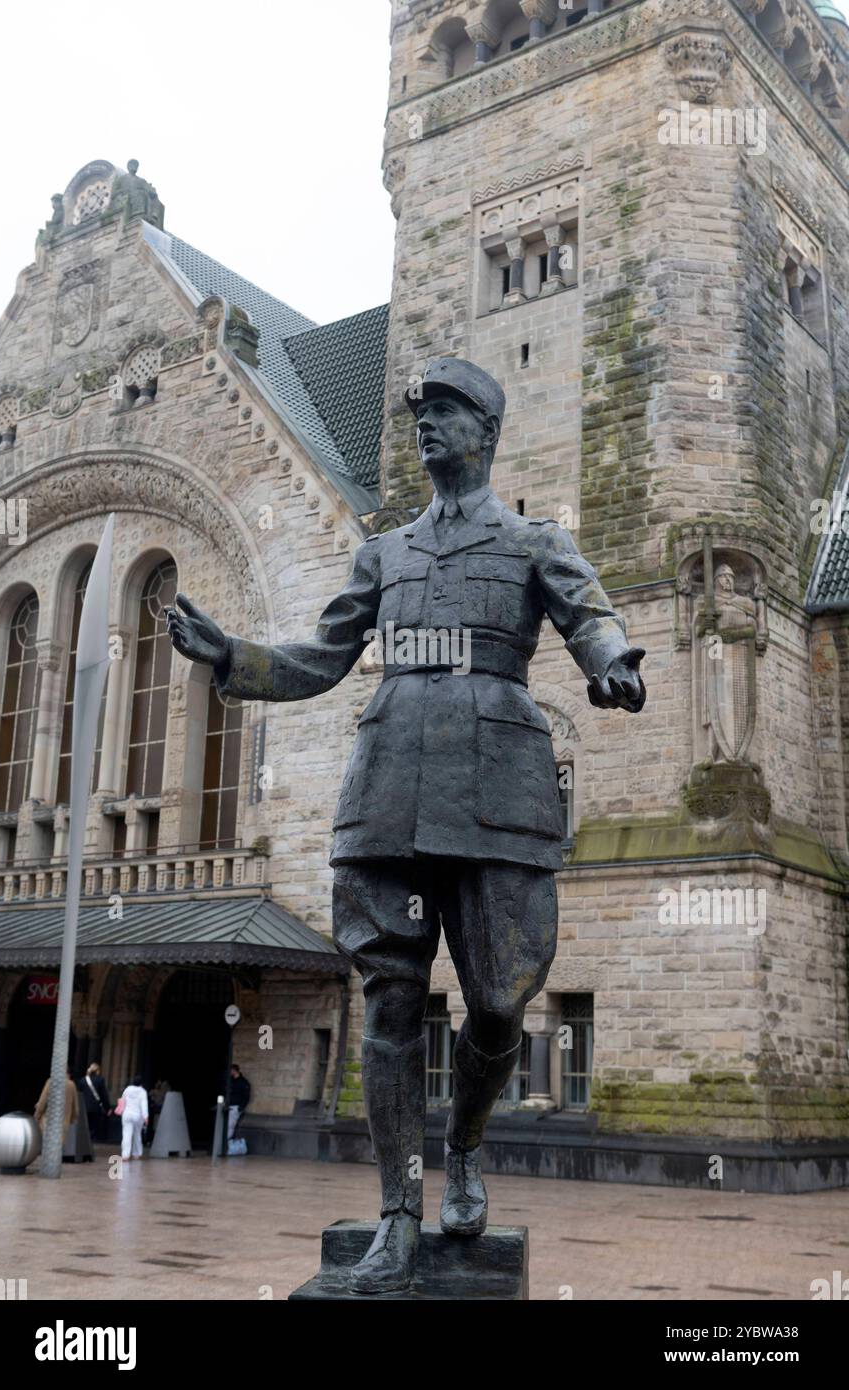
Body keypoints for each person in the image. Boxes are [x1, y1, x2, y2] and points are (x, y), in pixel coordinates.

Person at [166, 357, 646, 1292]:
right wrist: (236, 656)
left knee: (503, 1000)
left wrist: (611, 663)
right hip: (387, 788)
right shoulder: (383, 555)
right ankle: (396, 1212)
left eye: (447, 411)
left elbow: (592, 613)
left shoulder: (533, 542)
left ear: (488, 431)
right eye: (420, 413)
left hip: (500, 794)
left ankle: (463, 1147)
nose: (426, 425)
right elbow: (325, 655)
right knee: (388, 1004)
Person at [34, 1067, 79, 1144]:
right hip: (64, 1124)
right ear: (68, 1074)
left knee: (47, 1148)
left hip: (48, 1123)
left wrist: (36, 1117)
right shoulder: (71, 1085)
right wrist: (71, 1120)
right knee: (58, 1149)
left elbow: (42, 1103)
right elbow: (76, 1109)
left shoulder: (50, 1082)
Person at [118, 1075, 149, 1161]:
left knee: (126, 1134)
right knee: (137, 1134)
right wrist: (146, 1116)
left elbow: (122, 1100)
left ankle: (125, 1155)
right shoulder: (143, 1092)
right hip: (137, 1116)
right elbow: (144, 1105)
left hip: (127, 1114)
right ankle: (136, 1154)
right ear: (141, 1083)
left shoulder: (127, 1089)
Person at [81, 1062, 111, 1142]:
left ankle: (85, 1139)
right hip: (95, 1108)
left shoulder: (83, 1080)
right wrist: (108, 1108)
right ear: (97, 1071)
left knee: (86, 1124)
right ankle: (91, 1140)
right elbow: (104, 1095)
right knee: (94, 1126)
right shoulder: (100, 1080)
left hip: (84, 1107)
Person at [228, 1065, 251, 1141]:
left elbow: (246, 1096)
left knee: (230, 1126)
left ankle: (227, 1143)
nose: (230, 1072)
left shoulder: (243, 1082)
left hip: (235, 1107)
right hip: (227, 1106)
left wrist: (241, 1107)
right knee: (224, 1126)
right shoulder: (230, 1081)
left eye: (231, 1070)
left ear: (234, 1070)